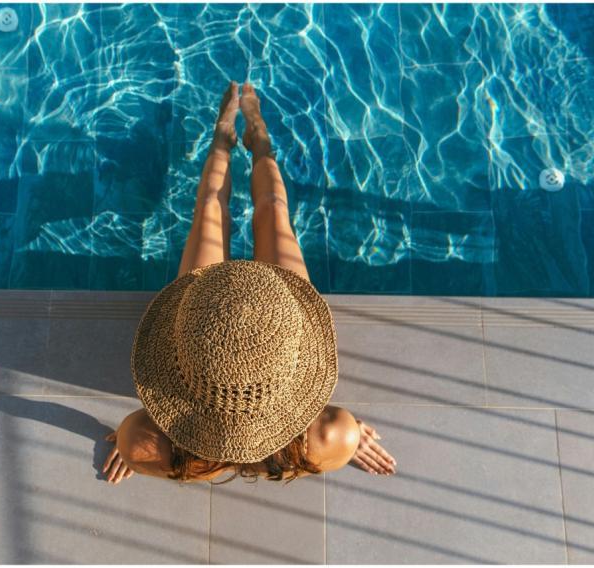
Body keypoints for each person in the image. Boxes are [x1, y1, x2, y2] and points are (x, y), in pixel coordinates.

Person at [102, 81, 397, 485]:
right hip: (258, 311)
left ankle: (231, 137)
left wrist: (146, 446)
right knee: (273, 210)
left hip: (215, 313)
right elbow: (325, 438)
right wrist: (346, 438)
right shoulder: (329, 437)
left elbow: (155, 447)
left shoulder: (146, 441)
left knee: (212, 206)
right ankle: (252, 137)